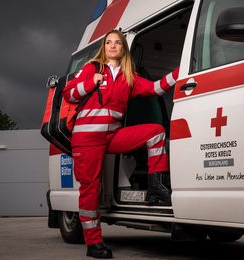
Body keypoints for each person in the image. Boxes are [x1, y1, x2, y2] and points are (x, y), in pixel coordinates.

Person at [62, 29, 179, 258]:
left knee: (156, 132)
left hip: (112, 136)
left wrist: (179, 72)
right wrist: (90, 83)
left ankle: (157, 188)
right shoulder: (92, 68)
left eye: (117, 43)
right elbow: (69, 94)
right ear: (104, 48)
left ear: (124, 48)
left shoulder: (130, 77)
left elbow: (155, 88)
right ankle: (93, 244)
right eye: (109, 43)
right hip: (86, 139)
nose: (113, 46)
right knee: (90, 190)